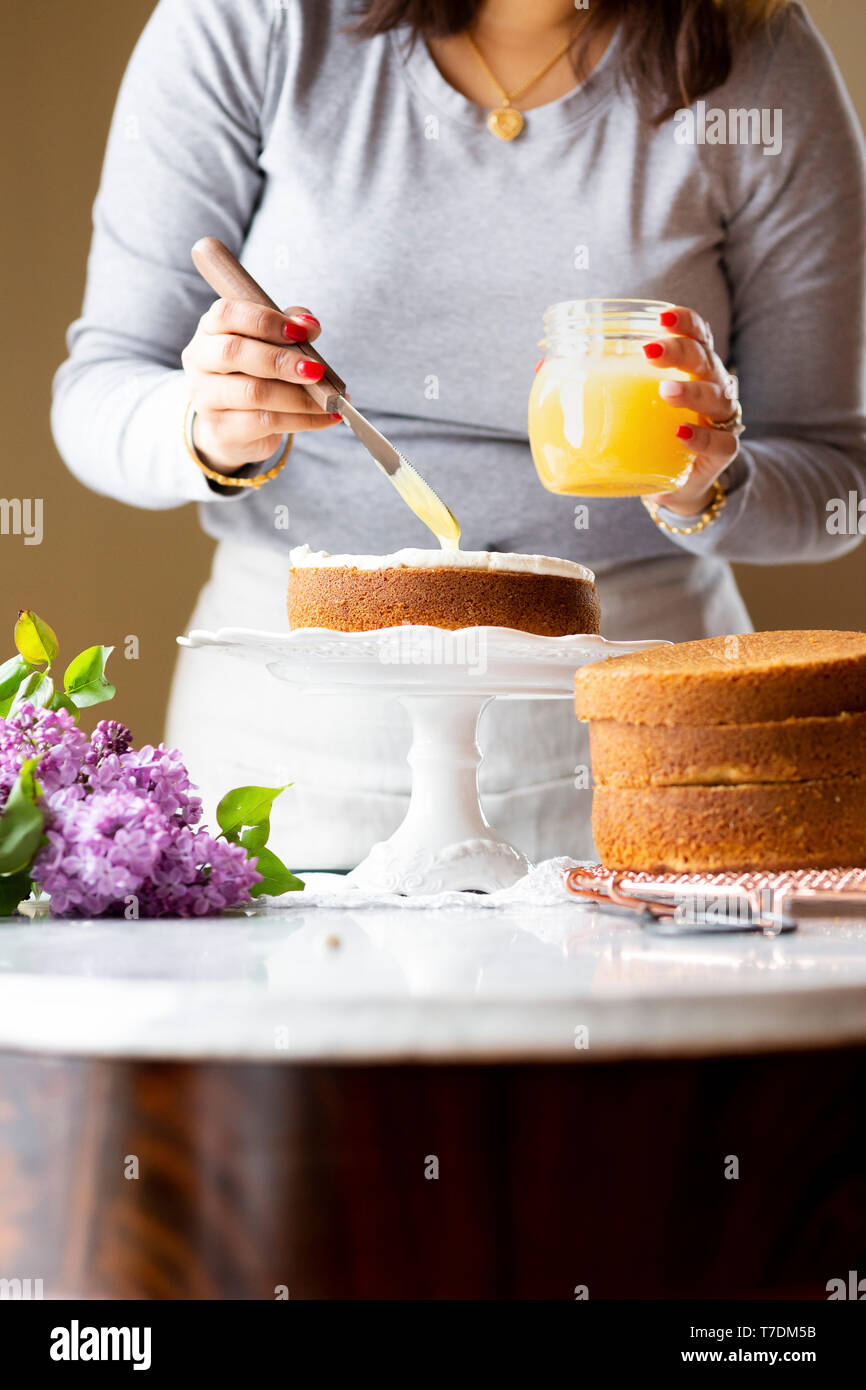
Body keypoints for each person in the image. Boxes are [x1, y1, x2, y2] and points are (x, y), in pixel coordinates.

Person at [52, 0, 866, 868]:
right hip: (288, 748)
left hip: (637, 748)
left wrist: (707, 484)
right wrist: (208, 426)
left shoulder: (758, 54)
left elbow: (838, 482)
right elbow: (99, 389)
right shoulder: (254, 20)